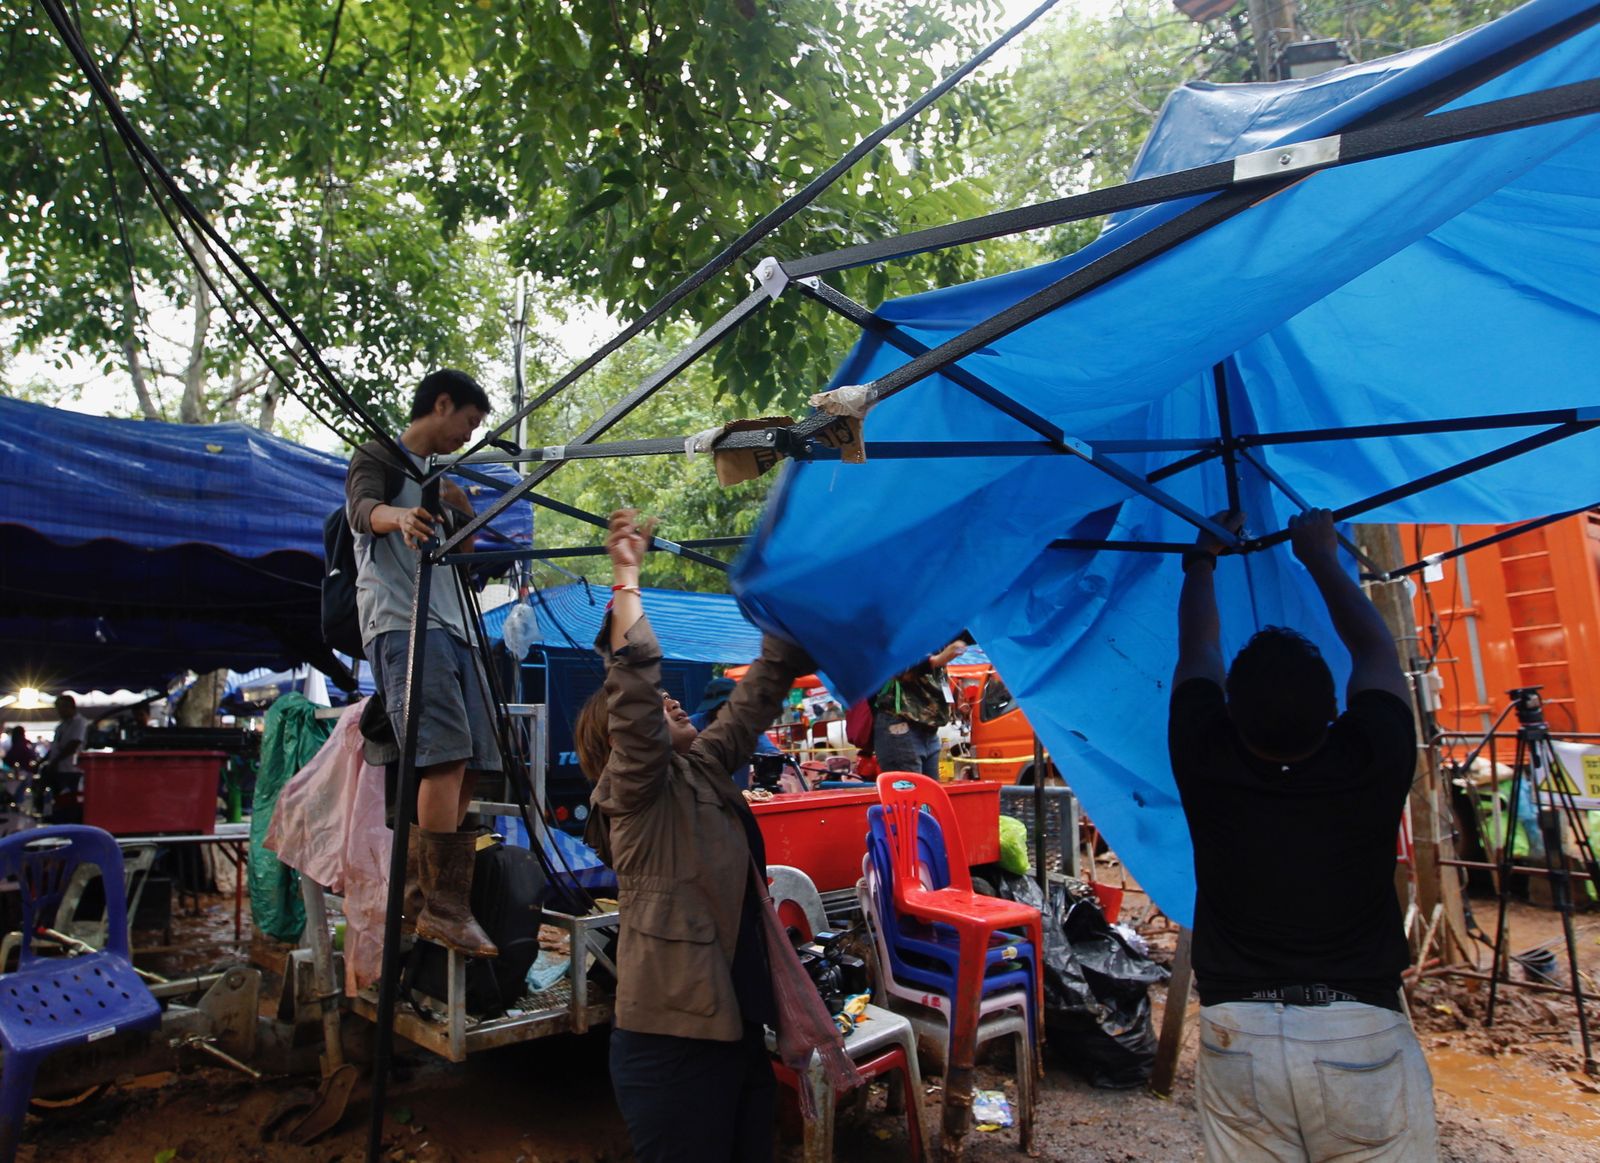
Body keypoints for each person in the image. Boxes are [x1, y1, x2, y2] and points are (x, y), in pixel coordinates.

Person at [1169, 508, 1437, 1161]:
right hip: (1362, 1031)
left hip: (1240, 1037)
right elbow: (1376, 651)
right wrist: (1320, 555)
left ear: (1231, 711)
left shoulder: (1206, 756)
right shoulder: (1371, 758)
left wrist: (1200, 558)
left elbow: (1198, 649)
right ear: (1334, 709)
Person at [573, 509, 813, 1163]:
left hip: (735, 1027)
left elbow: (764, 685)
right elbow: (633, 680)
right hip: (671, 1048)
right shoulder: (636, 797)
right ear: (623, 741)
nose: (671, 701)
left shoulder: (701, 768)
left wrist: (799, 589)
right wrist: (626, 572)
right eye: (657, 706)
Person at [345, 368, 500, 958]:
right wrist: (400, 516)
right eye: (468, 422)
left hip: (453, 627)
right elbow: (364, 510)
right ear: (441, 404)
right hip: (402, 623)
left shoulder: (445, 479)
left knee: (473, 761)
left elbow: (462, 560)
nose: (467, 435)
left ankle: (432, 898)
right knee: (445, 753)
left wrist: (463, 517)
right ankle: (438, 906)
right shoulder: (378, 453)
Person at [871, 639, 966, 777]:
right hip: (901, 722)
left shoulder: (937, 631)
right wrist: (936, 660)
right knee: (910, 794)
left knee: (929, 793)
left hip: (928, 727)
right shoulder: (904, 627)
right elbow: (897, 668)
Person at [688, 676, 785, 790]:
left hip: (739, 796)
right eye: (719, 707)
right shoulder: (691, 725)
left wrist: (772, 764)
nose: (723, 712)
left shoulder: (745, 726)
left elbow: (768, 751)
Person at [40, 694, 90, 812]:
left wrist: (55, 761)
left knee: (69, 800)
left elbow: (74, 744)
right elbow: (55, 747)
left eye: (61, 708)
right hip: (58, 769)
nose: (59, 711)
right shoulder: (61, 726)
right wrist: (43, 761)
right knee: (58, 800)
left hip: (70, 769)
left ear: (70, 707)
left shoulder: (80, 722)